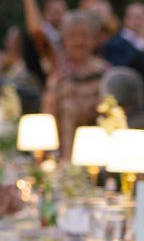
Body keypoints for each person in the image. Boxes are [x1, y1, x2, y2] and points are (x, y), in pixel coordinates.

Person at [42, 10, 107, 163]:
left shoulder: (102, 71)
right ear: (64, 39)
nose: (79, 42)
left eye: (84, 36)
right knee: (67, 105)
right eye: (72, 36)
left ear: (93, 39)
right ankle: (67, 164)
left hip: (96, 141)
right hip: (63, 138)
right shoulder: (57, 72)